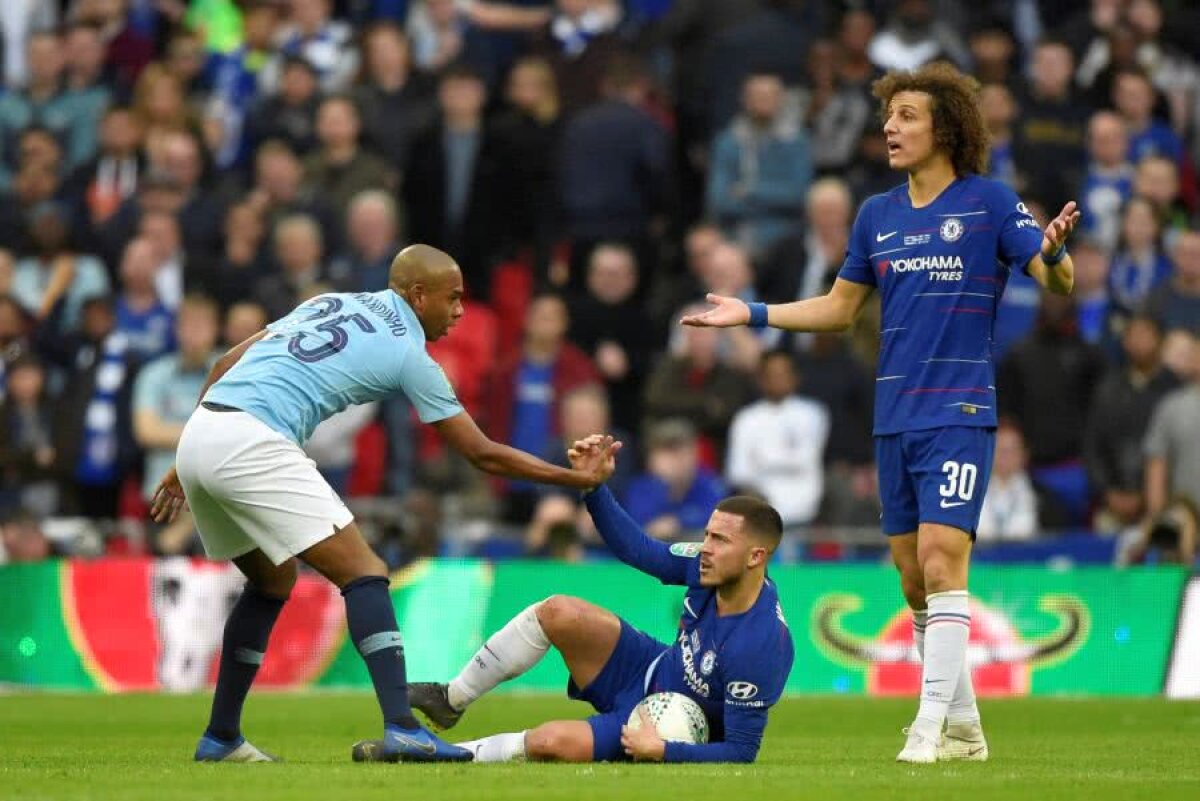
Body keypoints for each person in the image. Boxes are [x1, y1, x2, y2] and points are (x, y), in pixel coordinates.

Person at [681, 62, 1080, 763]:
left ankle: (926, 727)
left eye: (907, 117)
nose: (890, 128)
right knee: (909, 575)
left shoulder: (988, 201)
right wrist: (753, 311)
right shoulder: (877, 214)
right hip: (894, 414)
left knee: (941, 557)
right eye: (888, 115)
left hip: (960, 409)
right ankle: (968, 729)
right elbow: (839, 308)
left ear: (946, 128)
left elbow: (1053, 278)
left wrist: (1056, 253)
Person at [149, 244, 616, 764]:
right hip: (253, 439)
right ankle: (404, 729)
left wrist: (187, 452)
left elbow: (226, 361)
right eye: (452, 298)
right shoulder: (408, 356)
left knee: (272, 580)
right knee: (365, 571)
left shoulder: (328, 302)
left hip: (204, 431)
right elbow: (482, 454)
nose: (460, 311)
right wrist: (572, 479)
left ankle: (221, 738)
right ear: (418, 296)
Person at [356, 434, 793, 764]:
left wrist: (663, 749)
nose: (706, 547)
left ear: (757, 556)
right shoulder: (704, 565)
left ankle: (429, 753)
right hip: (648, 668)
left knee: (549, 741)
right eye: (707, 535)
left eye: (720, 540)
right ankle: (451, 699)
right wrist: (593, 488)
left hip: (661, 724)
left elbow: (740, 751)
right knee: (558, 611)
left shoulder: (761, 643)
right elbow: (638, 550)